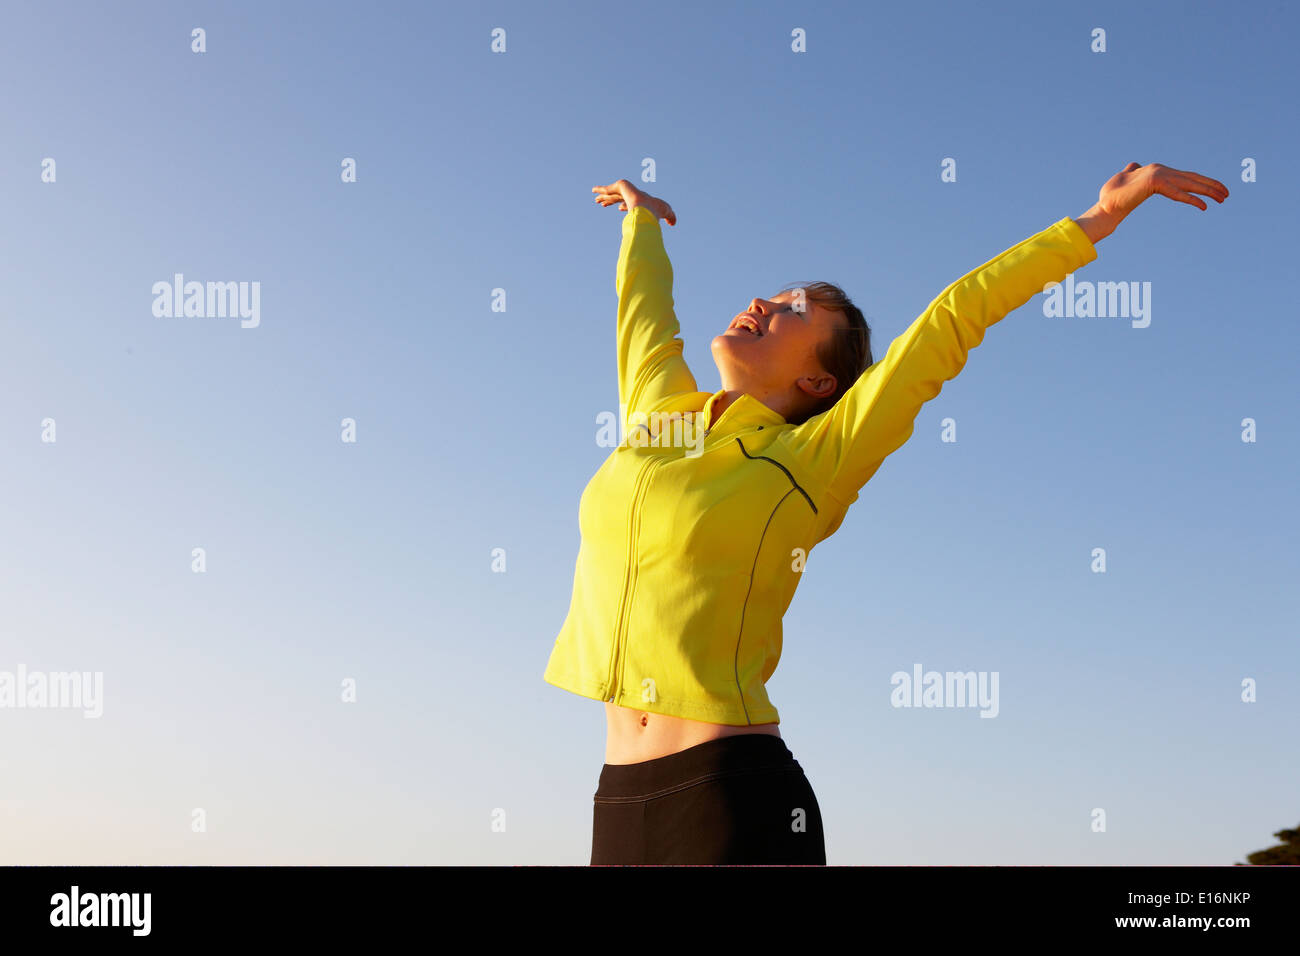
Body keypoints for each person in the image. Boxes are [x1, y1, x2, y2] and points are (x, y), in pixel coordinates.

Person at [543, 164, 1228, 865]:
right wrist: (642, 220)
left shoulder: (815, 459)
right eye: (772, 297)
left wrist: (1098, 219)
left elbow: (952, 320)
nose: (761, 303)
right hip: (617, 800)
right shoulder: (659, 421)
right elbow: (644, 314)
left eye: (795, 311)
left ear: (818, 381)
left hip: (728, 795)